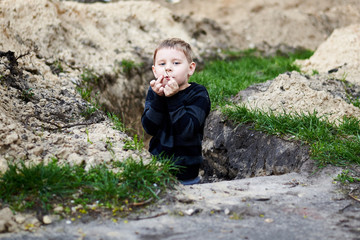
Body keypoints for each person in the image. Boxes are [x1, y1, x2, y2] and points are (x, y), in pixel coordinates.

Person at [141, 38, 211, 185]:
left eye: (176, 63)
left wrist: (173, 98)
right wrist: (159, 98)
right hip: (157, 169)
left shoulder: (198, 94)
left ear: (190, 69)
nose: (168, 68)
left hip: (187, 174)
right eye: (162, 64)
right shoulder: (155, 92)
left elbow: (187, 130)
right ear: (154, 70)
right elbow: (149, 127)